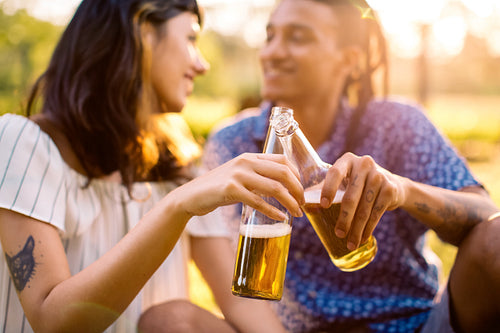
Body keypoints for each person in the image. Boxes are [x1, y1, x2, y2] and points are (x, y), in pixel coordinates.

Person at [192, 0, 500, 332]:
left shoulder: (397, 124)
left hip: (414, 325)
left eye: (298, 37)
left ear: (350, 60)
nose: (273, 53)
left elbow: (485, 217)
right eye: (270, 37)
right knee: (172, 320)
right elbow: (235, 288)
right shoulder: (233, 144)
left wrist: (402, 190)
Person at [0, 0, 303, 332]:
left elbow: (240, 302)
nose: (202, 65)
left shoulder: (177, 162)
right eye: (190, 39)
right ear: (143, 32)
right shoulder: (24, 143)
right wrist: (176, 207)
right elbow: (51, 320)